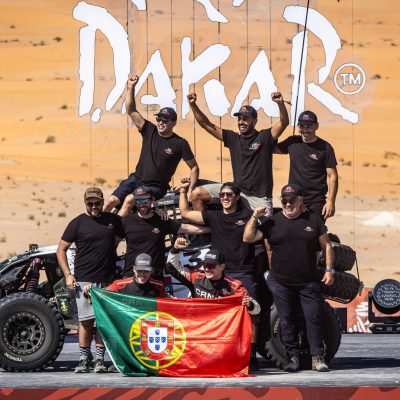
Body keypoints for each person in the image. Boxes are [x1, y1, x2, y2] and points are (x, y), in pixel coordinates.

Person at [243, 184, 335, 372]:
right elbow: (248, 237)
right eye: (284, 201)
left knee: (314, 318)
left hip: (308, 282)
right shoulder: (272, 221)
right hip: (281, 283)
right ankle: (292, 358)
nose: (287, 204)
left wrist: (329, 270)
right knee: (286, 320)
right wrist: (254, 217)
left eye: (292, 200)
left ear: (300, 200)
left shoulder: (313, 220)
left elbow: (327, 246)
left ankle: (317, 358)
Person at [178, 178, 267, 369]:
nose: (225, 197)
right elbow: (185, 212)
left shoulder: (247, 215)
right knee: (216, 314)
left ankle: (251, 355)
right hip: (220, 275)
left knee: (251, 313)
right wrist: (183, 191)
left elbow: (267, 231)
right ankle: (217, 352)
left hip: (243, 272)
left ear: (237, 197)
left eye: (229, 195)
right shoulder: (214, 216)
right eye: (222, 195)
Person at [104, 74, 199, 212]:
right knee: (110, 201)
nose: (160, 122)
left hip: (156, 187)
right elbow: (131, 110)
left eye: (165, 120)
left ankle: (117, 226)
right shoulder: (149, 130)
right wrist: (130, 87)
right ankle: (99, 226)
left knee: (130, 200)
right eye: (158, 119)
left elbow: (194, 167)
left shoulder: (180, 143)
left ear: (173, 122)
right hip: (136, 179)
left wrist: (190, 189)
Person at [56, 187, 125, 373]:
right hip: (84, 281)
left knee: (102, 321)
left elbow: (126, 234)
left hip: (107, 281)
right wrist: (68, 275)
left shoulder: (113, 221)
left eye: (97, 203)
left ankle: (100, 360)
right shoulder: (77, 223)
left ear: (103, 202)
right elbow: (61, 250)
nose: (94, 206)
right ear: (85, 203)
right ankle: (84, 359)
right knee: (86, 321)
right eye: (90, 203)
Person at [166, 237, 260, 370]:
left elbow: (257, 309)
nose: (207, 269)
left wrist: (249, 304)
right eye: (205, 265)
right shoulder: (196, 278)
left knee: (249, 315)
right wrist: (175, 249)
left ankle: (251, 357)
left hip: (223, 332)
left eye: (211, 266)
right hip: (199, 329)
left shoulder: (234, 286)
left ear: (222, 267)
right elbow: (171, 267)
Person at [187, 91, 289, 213]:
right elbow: (205, 124)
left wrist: (280, 103)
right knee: (196, 194)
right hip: (236, 193)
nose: (241, 122)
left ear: (255, 121)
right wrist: (193, 105)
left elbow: (284, 123)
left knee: (264, 225)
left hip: (259, 198)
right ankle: (207, 224)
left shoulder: (264, 137)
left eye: (245, 119)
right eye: (239, 119)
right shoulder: (233, 138)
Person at [119, 186, 209, 280]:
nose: (141, 205)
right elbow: (113, 240)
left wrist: (212, 228)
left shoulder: (161, 220)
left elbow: (185, 228)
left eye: (145, 201)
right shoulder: (126, 221)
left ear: (152, 200)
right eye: (137, 201)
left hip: (155, 277)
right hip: (131, 276)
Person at [274, 110, 338, 220]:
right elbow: (271, 148)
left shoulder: (325, 147)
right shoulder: (292, 142)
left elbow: (332, 176)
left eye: (309, 126)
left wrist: (331, 201)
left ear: (316, 126)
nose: (305, 130)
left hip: (316, 202)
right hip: (294, 199)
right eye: (302, 126)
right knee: (293, 229)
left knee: (313, 229)